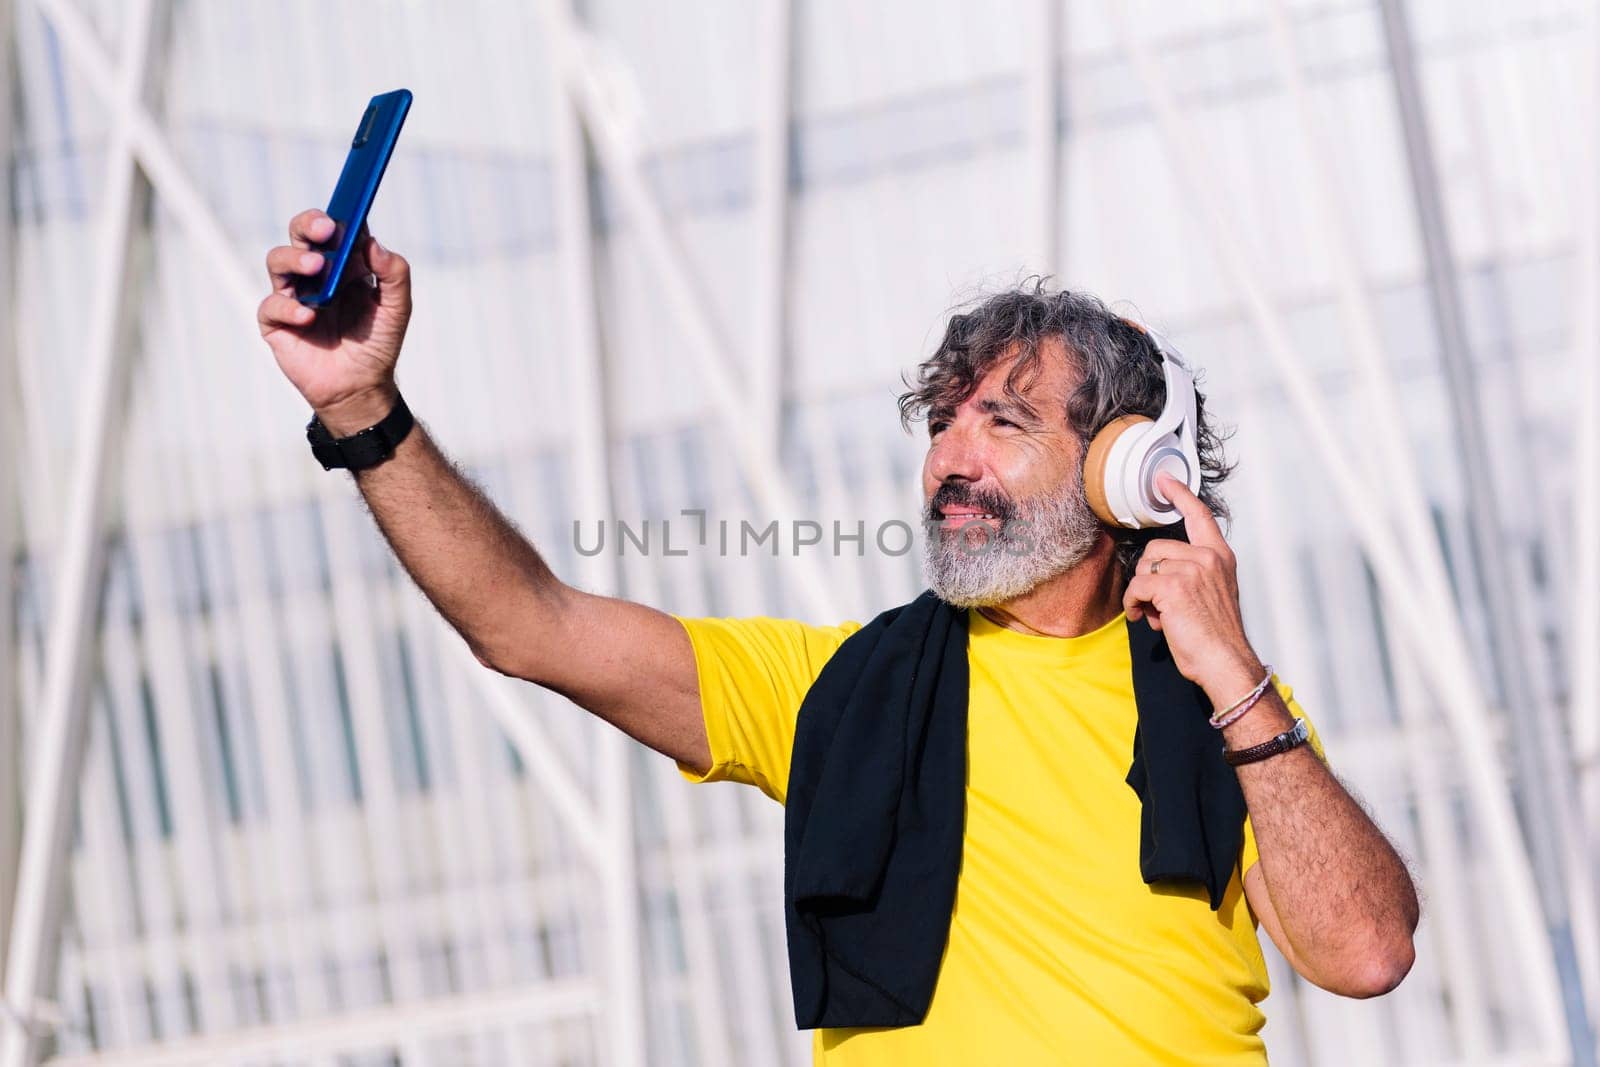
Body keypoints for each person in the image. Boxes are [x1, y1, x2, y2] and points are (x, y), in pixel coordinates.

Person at [259, 212, 1419, 1065]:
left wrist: (1231, 673)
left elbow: (1364, 951)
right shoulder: (835, 691)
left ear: (1127, 471)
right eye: (943, 421)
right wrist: (362, 408)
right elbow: (528, 623)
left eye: (1001, 421)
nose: (948, 458)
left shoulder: (1221, 710)